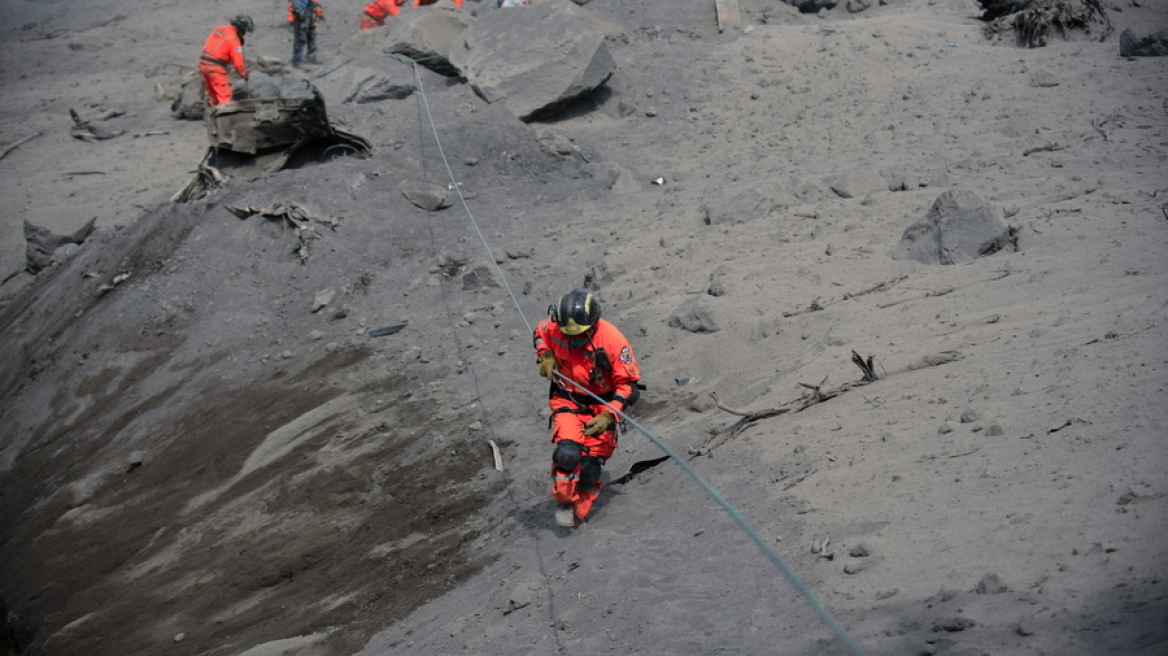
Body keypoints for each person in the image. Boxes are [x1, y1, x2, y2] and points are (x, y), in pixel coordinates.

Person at [533, 289, 641, 527]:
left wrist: (609, 415)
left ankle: (579, 509)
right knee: (567, 454)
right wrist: (545, 354)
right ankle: (564, 501)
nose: (575, 340)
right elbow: (539, 333)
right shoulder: (554, 326)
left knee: (590, 469)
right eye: (569, 335)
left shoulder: (613, 342)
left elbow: (629, 386)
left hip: (603, 405)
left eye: (582, 334)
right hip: (567, 399)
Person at [199, 15, 252, 106]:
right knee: (225, 95)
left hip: (203, 64)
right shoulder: (234, 40)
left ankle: (210, 109)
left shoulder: (219, 29)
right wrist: (244, 74)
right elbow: (238, 64)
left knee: (212, 93)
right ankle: (224, 112)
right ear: (241, 29)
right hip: (215, 68)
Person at [287, 0, 325, 67]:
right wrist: (299, 11)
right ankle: (297, 61)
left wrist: (315, 7)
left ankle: (311, 57)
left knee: (311, 35)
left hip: (309, 9)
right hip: (301, 11)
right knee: (300, 37)